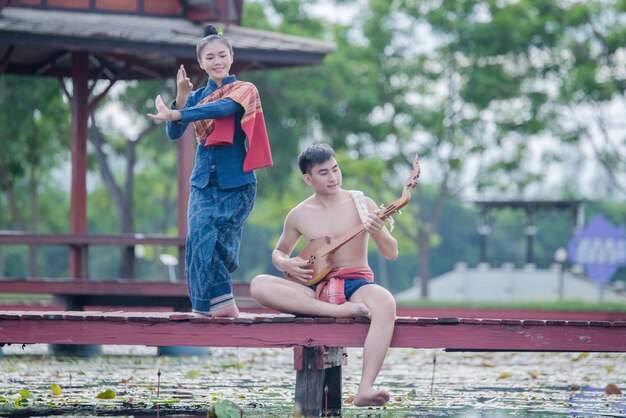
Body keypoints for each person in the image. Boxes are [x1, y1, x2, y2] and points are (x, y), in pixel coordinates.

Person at [249, 143, 397, 407]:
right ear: (308, 178)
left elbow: (391, 252)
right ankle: (339, 311)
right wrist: (287, 264)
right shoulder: (299, 214)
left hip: (357, 284)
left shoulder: (362, 203)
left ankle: (364, 389)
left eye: (335, 169)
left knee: (386, 301)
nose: (333, 177)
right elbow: (279, 251)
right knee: (259, 285)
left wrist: (379, 232)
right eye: (324, 172)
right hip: (317, 289)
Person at [148, 25, 272, 318]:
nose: (217, 61)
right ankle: (215, 305)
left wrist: (178, 111)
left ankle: (214, 304)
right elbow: (174, 132)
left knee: (220, 247)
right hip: (203, 183)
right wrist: (180, 97)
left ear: (231, 57)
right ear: (201, 63)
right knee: (198, 240)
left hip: (236, 182)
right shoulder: (197, 96)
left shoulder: (244, 90)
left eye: (222, 55)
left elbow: (221, 110)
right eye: (210, 58)